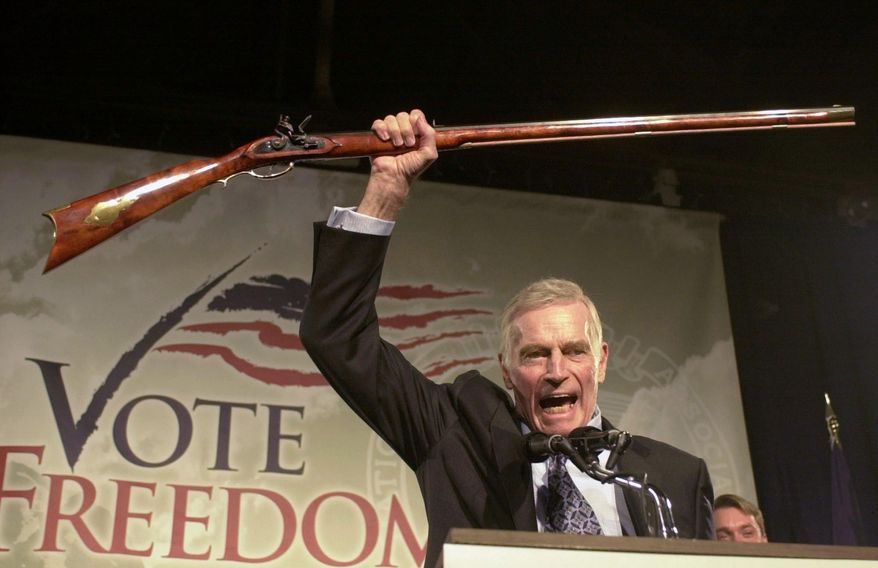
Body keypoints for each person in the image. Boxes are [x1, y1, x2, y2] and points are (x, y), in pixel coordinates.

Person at [300, 109, 715, 568]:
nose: (557, 372)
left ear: (600, 361)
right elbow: (336, 335)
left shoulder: (675, 476)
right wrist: (386, 190)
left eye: (573, 351)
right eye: (536, 355)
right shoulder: (457, 436)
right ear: (507, 369)